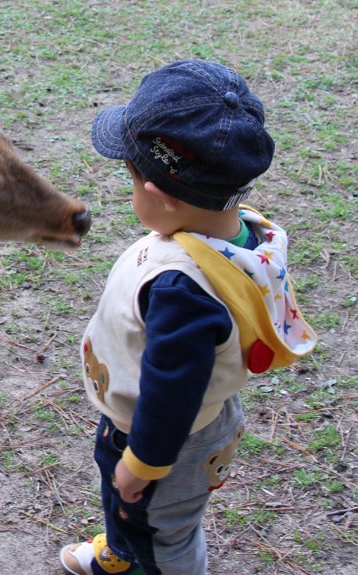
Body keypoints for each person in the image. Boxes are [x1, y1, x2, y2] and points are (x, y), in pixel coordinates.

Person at [62, 60, 318, 575]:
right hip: (184, 421)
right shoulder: (247, 235)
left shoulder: (181, 286)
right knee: (133, 509)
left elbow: (173, 389)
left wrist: (144, 462)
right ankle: (124, 548)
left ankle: (144, 555)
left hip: (164, 437)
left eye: (131, 179)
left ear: (160, 196)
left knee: (164, 531)